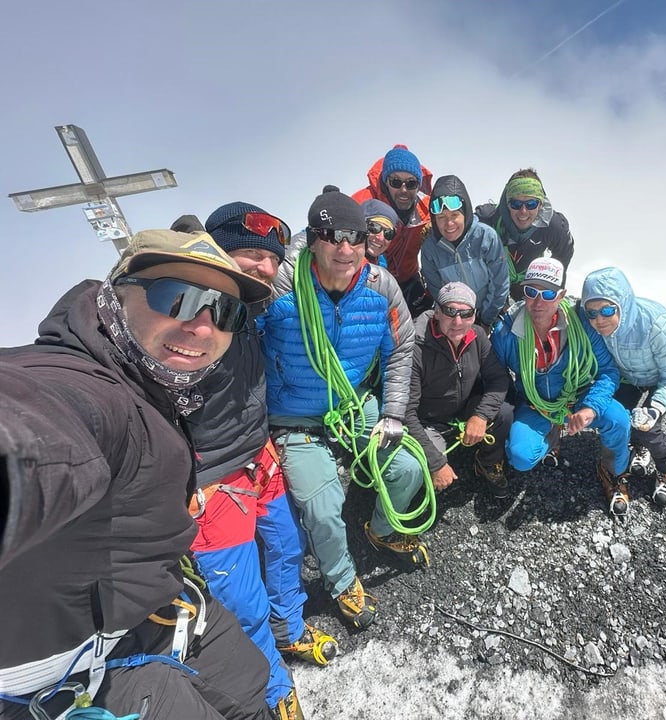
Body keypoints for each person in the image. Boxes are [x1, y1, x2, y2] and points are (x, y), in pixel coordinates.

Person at [0, 230, 276, 719]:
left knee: (248, 679)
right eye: (178, 297)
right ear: (116, 293)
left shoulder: (154, 383)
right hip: (54, 677)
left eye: (226, 312)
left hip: (153, 609)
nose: (202, 326)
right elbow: (37, 430)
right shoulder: (82, 385)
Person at [184, 202, 336, 720]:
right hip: (209, 481)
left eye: (270, 259)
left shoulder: (252, 310)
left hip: (257, 455)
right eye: (249, 255)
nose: (264, 268)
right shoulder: (189, 315)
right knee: (240, 600)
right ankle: (270, 688)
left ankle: (289, 631)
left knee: (287, 548)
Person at [260, 187, 427, 631]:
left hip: (353, 406)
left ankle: (382, 530)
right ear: (313, 239)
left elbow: (402, 345)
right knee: (322, 508)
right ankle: (342, 581)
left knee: (408, 468)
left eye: (354, 236)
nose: (345, 247)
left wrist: (392, 414)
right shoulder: (280, 288)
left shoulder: (380, 287)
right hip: (295, 420)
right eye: (331, 235)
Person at [491, 257, 632, 518]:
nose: (538, 301)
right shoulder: (506, 331)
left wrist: (590, 408)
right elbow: (495, 377)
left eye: (548, 293)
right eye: (531, 291)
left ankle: (613, 472)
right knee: (521, 457)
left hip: (578, 397)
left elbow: (609, 372)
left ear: (562, 295)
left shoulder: (581, 325)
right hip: (535, 404)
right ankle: (553, 433)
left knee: (619, 419)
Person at [581, 267, 666, 508]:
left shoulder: (657, 324)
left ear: (623, 304)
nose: (599, 319)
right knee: (619, 419)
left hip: (661, 378)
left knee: (648, 427)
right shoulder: (590, 323)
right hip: (626, 376)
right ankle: (637, 450)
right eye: (592, 312)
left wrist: (655, 409)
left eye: (607, 310)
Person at [405, 281, 513, 498]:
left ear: (474, 316)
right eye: (449, 311)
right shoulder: (416, 346)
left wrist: (481, 416)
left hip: (463, 411)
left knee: (504, 412)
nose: (457, 321)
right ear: (436, 312)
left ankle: (486, 462)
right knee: (417, 471)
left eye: (465, 314)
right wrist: (436, 463)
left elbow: (499, 379)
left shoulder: (478, 337)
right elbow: (405, 412)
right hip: (428, 422)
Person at [420, 175, 510, 334]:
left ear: (466, 213)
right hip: (456, 320)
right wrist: (458, 319)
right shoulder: (430, 249)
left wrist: (484, 320)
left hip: (491, 316)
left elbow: (499, 285)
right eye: (441, 217)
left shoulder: (486, 237)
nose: (449, 224)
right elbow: (438, 292)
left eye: (455, 215)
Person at [352, 144, 433, 316]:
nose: (403, 190)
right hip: (368, 280)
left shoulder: (427, 209)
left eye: (411, 183)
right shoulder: (362, 202)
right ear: (385, 181)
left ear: (418, 185)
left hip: (409, 280)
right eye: (396, 182)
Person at [476, 168, 575, 302]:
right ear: (507, 203)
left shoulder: (554, 227)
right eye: (516, 204)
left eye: (531, 204)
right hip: (492, 284)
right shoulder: (487, 219)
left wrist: (552, 293)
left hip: (529, 288)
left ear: (540, 204)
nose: (523, 211)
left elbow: (564, 253)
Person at [360, 198, 398, 268]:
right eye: (374, 227)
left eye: (388, 233)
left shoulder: (382, 264)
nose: (381, 238)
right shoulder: (344, 261)